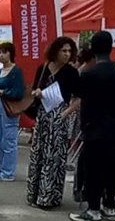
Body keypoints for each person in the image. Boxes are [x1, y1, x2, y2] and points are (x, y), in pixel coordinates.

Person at [70, 32, 115, 221]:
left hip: (93, 127)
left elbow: (77, 93)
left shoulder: (89, 74)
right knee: (112, 168)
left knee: (93, 169)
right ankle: (109, 206)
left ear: (93, 50)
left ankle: (93, 209)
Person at [26, 36, 81, 209]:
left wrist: (65, 114)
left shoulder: (71, 73)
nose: (66, 54)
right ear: (55, 51)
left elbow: (79, 98)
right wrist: (37, 93)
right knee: (38, 155)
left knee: (54, 157)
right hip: (43, 115)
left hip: (59, 115)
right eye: (63, 50)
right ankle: (34, 194)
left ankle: (49, 196)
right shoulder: (43, 68)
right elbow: (34, 88)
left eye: (69, 51)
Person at [0, 41, 24, 182]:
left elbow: (18, 92)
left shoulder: (16, 71)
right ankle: (1, 168)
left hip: (9, 107)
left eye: (4, 52)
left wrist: (2, 92)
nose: (1, 55)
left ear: (11, 53)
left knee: (9, 139)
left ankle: (8, 172)